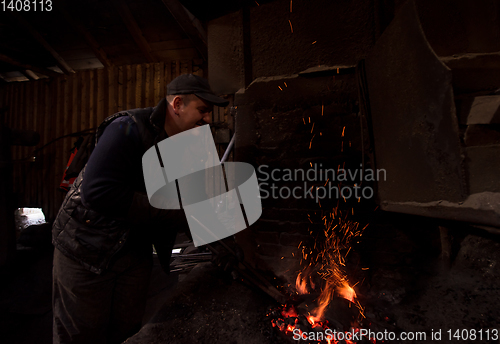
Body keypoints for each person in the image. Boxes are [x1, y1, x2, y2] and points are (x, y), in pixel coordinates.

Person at [52, 74, 229, 344]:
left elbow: (195, 202)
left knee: (127, 333)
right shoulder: (127, 128)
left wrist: (223, 243)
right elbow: (98, 193)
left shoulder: (190, 144)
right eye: (202, 110)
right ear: (178, 104)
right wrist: (175, 212)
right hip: (86, 249)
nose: (207, 119)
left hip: (134, 253)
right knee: (82, 335)